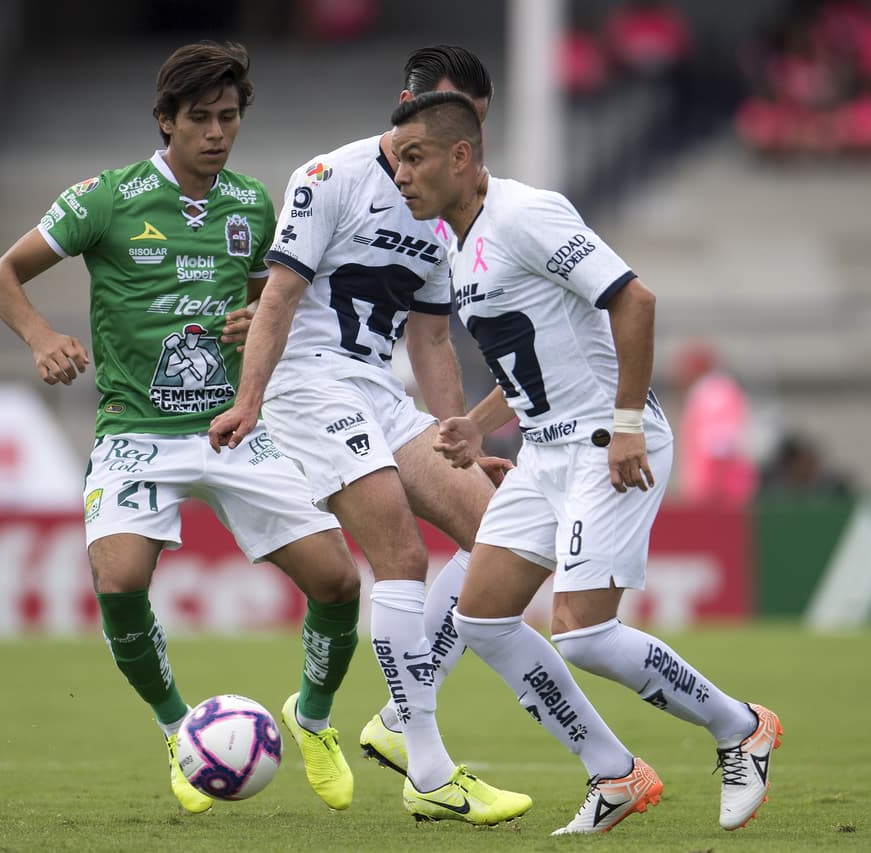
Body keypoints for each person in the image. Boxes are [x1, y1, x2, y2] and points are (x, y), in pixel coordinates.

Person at [387, 90, 782, 835]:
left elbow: (636, 302)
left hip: (608, 444)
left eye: (414, 158)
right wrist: (475, 426)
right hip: (545, 453)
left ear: (462, 157)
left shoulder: (525, 214)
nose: (401, 175)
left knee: (583, 631)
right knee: (482, 619)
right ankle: (615, 771)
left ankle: (742, 727)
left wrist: (628, 420)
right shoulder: (456, 241)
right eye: (396, 161)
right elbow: (533, 356)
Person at [0, 42, 362, 815]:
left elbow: (269, 311)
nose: (218, 132)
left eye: (229, 118)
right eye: (201, 119)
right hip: (135, 432)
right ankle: (175, 728)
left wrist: (256, 319)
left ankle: (314, 721)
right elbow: (2, 275)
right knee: (119, 580)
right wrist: (41, 337)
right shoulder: (107, 198)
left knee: (339, 580)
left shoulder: (253, 204)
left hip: (229, 426)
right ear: (166, 121)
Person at [209, 46, 532, 825]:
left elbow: (428, 338)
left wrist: (459, 433)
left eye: (476, 135)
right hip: (310, 383)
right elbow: (280, 296)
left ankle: (395, 717)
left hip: (379, 389)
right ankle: (427, 766)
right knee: (402, 557)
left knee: (504, 533)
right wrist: (251, 398)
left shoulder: (444, 207)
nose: (465, 152)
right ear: (404, 108)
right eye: (451, 128)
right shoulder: (332, 177)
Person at [672, 341, 757, 506]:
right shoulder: (707, 391)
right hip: (711, 490)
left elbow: (720, 443)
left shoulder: (714, 392)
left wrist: (713, 489)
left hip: (717, 493)